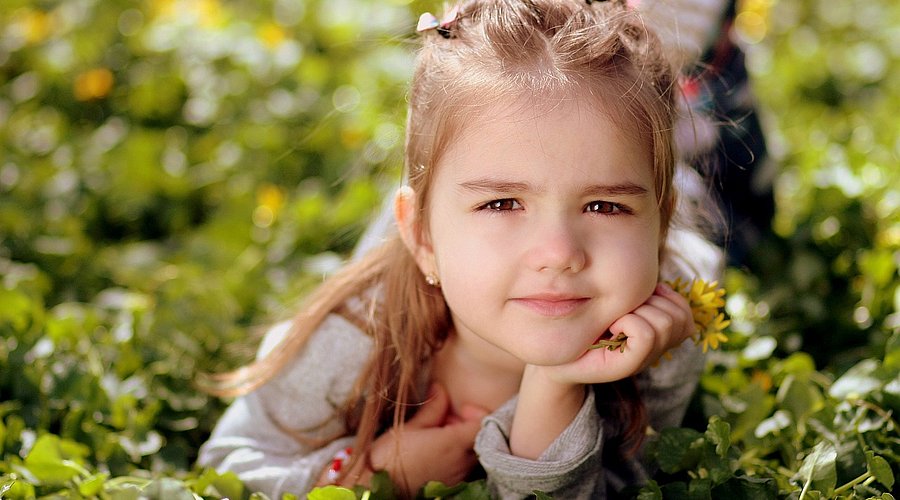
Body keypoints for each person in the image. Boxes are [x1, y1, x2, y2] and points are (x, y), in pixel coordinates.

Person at [198, 0, 723, 498]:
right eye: (502, 204)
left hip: (691, 203)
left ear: (658, 229)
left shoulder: (662, 337)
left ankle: (669, 58)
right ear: (422, 240)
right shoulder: (357, 329)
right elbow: (228, 466)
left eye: (604, 206)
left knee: (693, 163)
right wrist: (372, 474)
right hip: (439, 225)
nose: (560, 253)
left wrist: (554, 385)